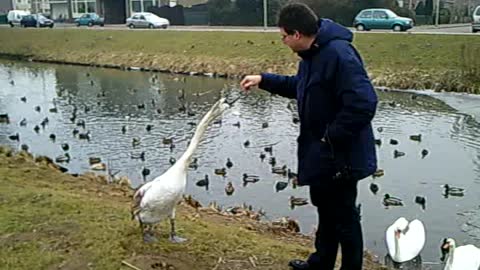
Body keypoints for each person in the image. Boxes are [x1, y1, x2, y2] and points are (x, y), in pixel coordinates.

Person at [240, 3, 378, 270]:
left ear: (297, 35)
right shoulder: (312, 56)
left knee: (345, 219)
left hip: (341, 155)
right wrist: (263, 79)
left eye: (283, 36)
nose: (282, 41)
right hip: (321, 154)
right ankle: (320, 264)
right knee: (325, 211)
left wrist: (330, 137)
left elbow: (364, 103)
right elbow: (300, 87)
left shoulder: (340, 55)